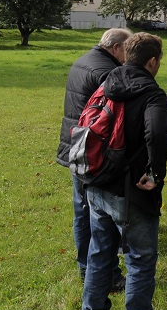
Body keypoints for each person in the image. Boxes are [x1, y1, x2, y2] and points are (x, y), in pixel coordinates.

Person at [81, 32, 167, 310]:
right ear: (152, 60)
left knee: (99, 253)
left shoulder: (108, 81)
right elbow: (157, 133)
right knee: (140, 259)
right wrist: (155, 173)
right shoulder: (151, 92)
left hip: (96, 182)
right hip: (129, 189)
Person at [56, 27, 132, 288]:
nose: (130, 55)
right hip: (93, 152)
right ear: (115, 48)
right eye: (127, 49)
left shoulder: (82, 61)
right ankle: (104, 274)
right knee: (101, 218)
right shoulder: (107, 72)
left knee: (82, 210)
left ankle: (85, 267)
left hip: (75, 147)